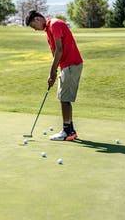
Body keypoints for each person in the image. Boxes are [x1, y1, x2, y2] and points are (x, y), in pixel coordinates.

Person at [25, 10, 83, 141]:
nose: (35, 30)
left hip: (71, 64)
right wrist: (54, 71)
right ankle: (71, 130)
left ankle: (66, 131)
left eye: (34, 27)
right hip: (67, 65)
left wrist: (52, 72)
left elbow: (60, 49)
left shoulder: (54, 25)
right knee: (64, 97)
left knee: (64, 98)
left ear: (37, 19)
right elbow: (55, 52)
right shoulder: (48, 30)